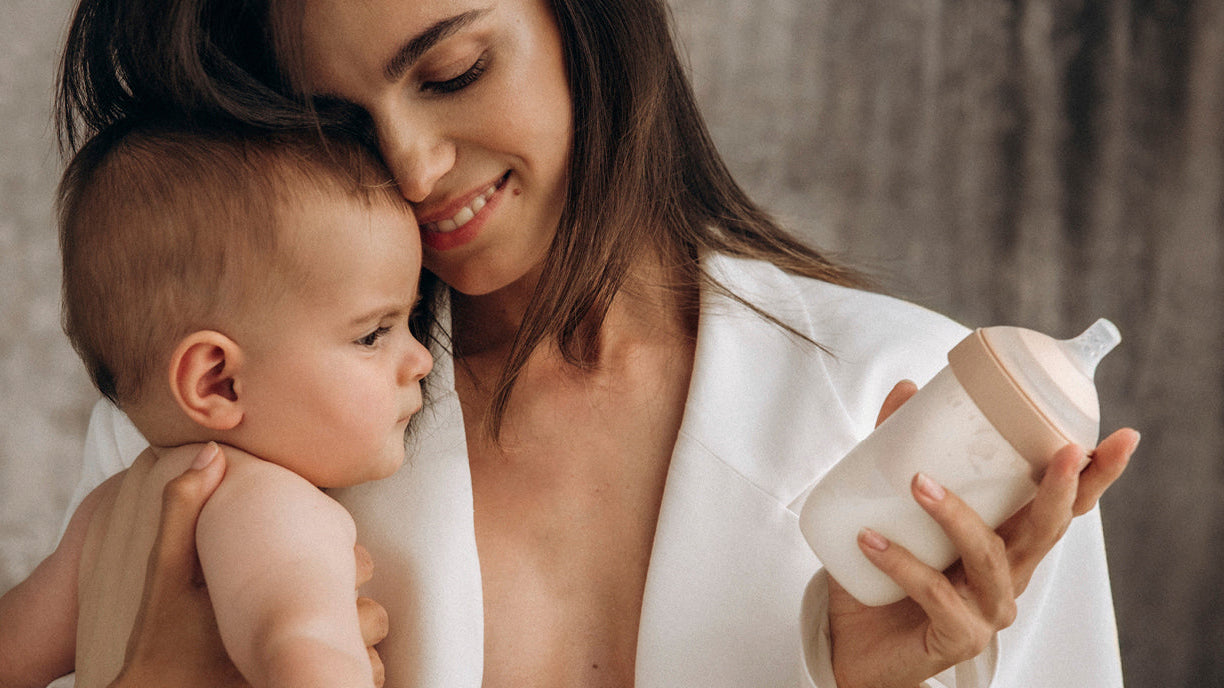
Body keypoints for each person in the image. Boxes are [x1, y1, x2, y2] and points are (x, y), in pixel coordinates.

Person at [50, 0, 1139, 686]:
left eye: (454, 70)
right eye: (336, 124)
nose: (414, 166)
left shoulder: (936, 420)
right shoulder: (223, 423)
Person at [0, 122, 431, 688]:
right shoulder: (271, 504)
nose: (422, 358)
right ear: (219, 382)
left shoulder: (106, 513)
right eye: (373, 334)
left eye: (410, 321)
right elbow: (304, 652)